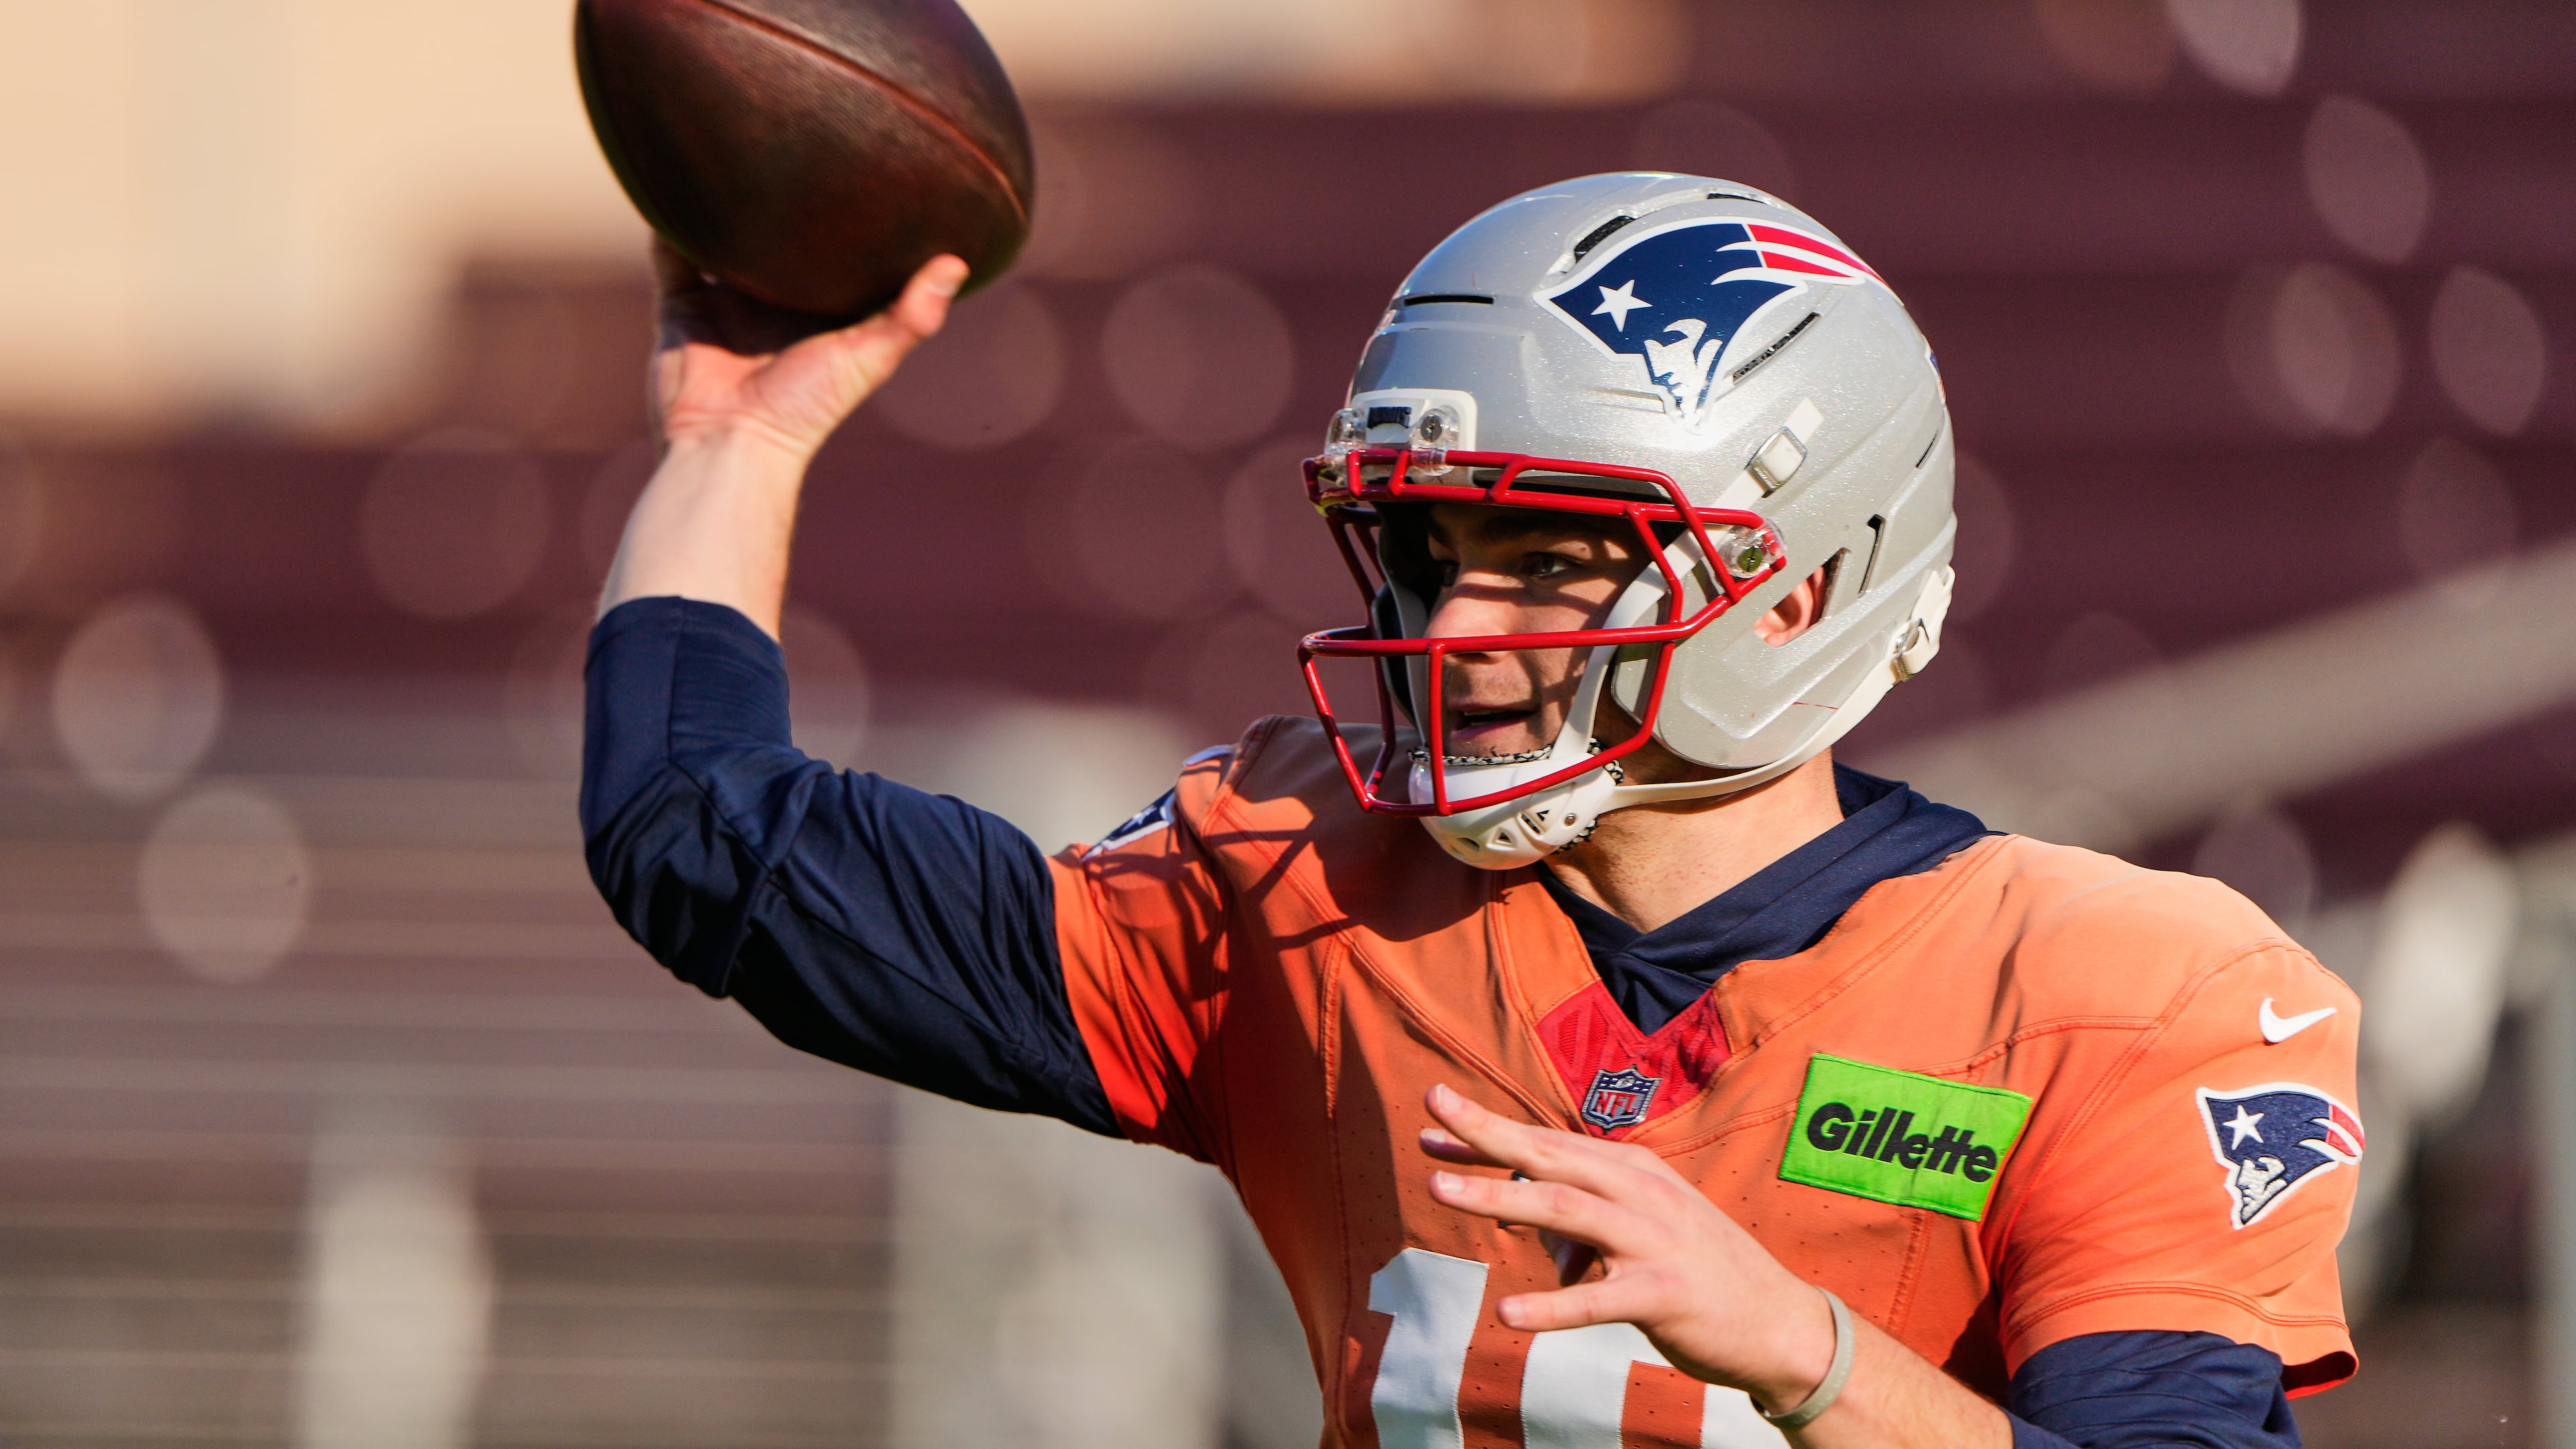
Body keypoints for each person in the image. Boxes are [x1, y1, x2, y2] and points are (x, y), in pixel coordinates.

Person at [584, 174, 2361, 1447]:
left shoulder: (2117, 995)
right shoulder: (1303, 890)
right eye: (1433, 554)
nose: (1454, 632)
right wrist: (739, 443)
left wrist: (1808, 1357)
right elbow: (696, 828)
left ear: (1800, 591)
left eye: (1553, 566)